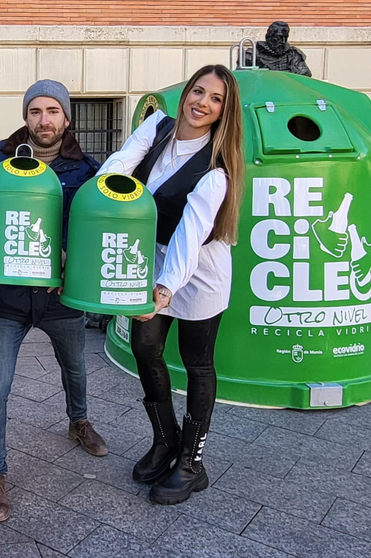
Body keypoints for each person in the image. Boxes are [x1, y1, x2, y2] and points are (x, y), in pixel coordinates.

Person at [98, 64, 243, 505]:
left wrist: (164, 290)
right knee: (145, 348)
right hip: (152, 257)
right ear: (185, 93)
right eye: (198, 91)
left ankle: (191, 463)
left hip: (197, 270)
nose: (202, 103)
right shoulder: (156, 127)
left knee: (197, 364)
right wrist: (103, 192)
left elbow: (189, 235)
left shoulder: (215, 170)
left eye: (215, 99)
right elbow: (119, 165)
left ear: (223, 111)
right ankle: (165, 440)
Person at [0, 79, 105, 522]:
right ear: (26, 116)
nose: (43, 120)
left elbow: (84, 219)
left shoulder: (86, 167)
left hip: (60, 292)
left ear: (66, 118)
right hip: (7, 296)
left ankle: (79, 421)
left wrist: (68, 251)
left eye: (53, 111)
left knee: (75, 366)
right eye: (35, 111)